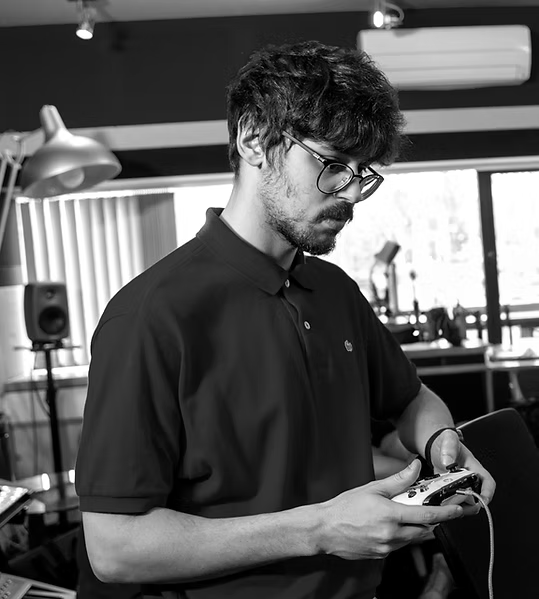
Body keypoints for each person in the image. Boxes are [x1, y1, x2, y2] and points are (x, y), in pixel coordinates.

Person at [75, 40, 495, 599]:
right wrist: (320, 531)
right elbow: (114, 549)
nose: (351, 194)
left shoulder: (335, 291)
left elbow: (410, 399)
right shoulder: (150, 316)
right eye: (332, 164)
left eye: (364, 173)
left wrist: (441, 440)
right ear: (254, 138)